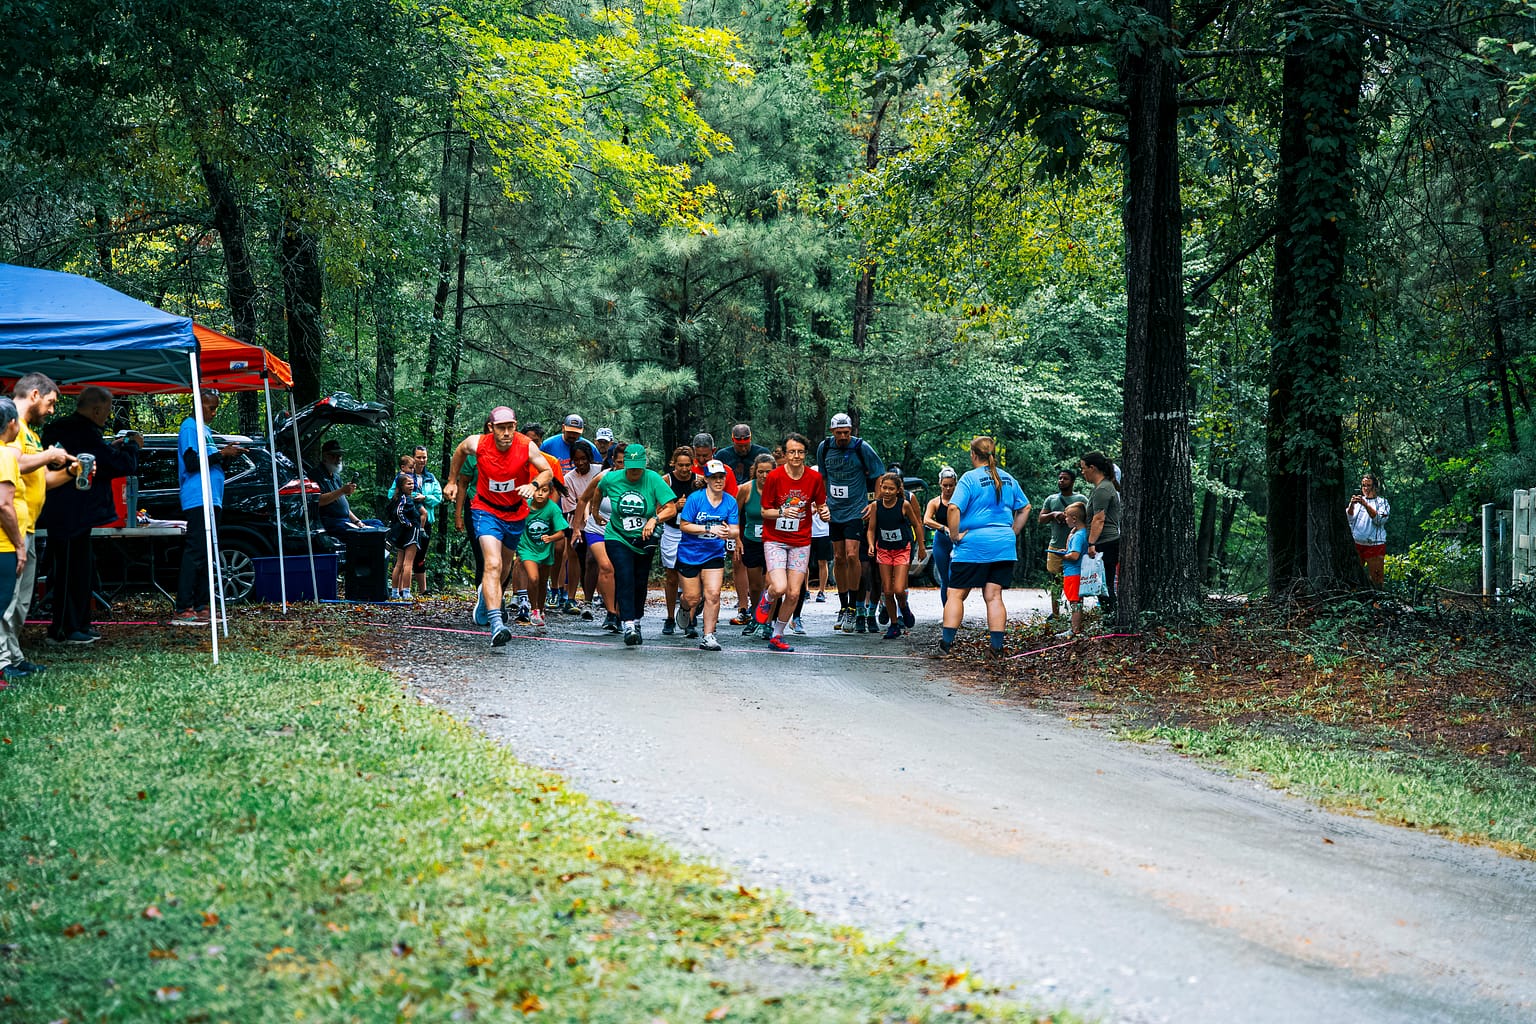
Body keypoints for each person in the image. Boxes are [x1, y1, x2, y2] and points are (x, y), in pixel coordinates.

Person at [443, 406, 555, 648]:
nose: (507, 433)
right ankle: (496, 624)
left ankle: (487, 599)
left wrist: (534, 484)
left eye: (511, 427)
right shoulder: (478, 443)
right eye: (502, 428)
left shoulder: (526, 446)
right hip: (485, 510)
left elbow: (547, 471)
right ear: (491, 428)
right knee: (492, 563)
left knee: (503, 566)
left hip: (515, 513)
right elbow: (461, 449)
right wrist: (452, 480)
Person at [38, 386, 141, 644]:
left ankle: (79, 623)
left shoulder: (72, 430)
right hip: (70, 513)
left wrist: (109, 447)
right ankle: (64, 629)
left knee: (81, 570)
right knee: (69, 572)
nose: (107, 418)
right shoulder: (80, 431)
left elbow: (99, 457)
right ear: (96, 410)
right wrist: (132, 448)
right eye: (106, 412)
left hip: (75, 514)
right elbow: (116, 465)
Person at [940, 437, 1031, 658]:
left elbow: (953, 509)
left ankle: (945, 646)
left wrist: (954, 535)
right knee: (994, 595)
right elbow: (1025, 507)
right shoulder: (1007, 478)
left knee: (955, 594)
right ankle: (997, 648)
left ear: (973, 454)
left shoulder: (969, 479)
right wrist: (1013, 532)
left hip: (973, 545)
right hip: (1003, 545)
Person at [578, 444, 677, 646]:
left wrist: (654, 519)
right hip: (617, 535)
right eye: (630, 467)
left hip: (644, 537)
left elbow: (671, 508)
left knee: (640, 580)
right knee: (624, 574)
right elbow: (597, 491)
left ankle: (637, 618)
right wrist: (595, 512)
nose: (633, 472)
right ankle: (628, 623)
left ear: (644, 465)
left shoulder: (653, 479)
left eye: (637, 468)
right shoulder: (612, 478)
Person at [754, 433, 827, 652]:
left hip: (801, 540)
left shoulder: (814, 479)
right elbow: (765, 511)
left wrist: (825, 513)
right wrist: (783, 512)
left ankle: (777, 635)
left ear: (805, 454)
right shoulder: (775, 477)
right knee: (779, 587)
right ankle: (767, 598)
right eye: (792, 452)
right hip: (775, 539)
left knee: (794, 593)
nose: (796, 456)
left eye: (800, 452)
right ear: (785, 455)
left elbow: (821, 505)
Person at [817, 413, 885, 634]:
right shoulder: (825, 447)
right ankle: (844, 605)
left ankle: (856, 606)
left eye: (847, 432)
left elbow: (879, 474)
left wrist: (874, 502)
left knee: (852, 555)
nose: (844, 436)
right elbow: (823, 477)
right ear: (832, 431)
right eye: (839, 433)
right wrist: (822, 502)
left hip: (855, 509)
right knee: (837, 557)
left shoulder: (861, 447)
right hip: (834, 510)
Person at [676, 459, 739, 651]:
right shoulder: (696, 499)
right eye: (714, 478)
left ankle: (709, 635)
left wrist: (728, 532)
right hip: (689, 553)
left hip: (713, 553)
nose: (718, 481)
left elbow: (736, 530)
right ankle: (685, 609)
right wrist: (709, 528)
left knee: (713, 594)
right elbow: (684, 525)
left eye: (721, 477)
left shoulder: (730, 501)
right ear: (707, 479)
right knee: (693, 597)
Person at [541, 414, 599, 612]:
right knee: (561, 551)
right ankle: (555, 589)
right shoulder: (549, 445)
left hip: (592, 514)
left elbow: (602, 474)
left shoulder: (589, 448)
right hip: (559, 505)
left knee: (581, 555)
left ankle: (571, 595)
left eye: (577, 433)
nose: (573, 436)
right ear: (563, 428)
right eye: (570, 432)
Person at [867, 470, 926, 639]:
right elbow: (871, 529)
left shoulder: (904, 505)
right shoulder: (876, 506)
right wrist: (871, 545)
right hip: (884, 550)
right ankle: (894, 625)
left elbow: (917, 525)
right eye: (884, 488)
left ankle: (904, 608)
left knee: (899, 589)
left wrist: (921, 547)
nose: (887, 492)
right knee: (887, 590)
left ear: (898, 490)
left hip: (901, 549)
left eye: (891, 489)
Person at [716, 425, 766, 624]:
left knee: (761, 561)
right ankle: (743, 607)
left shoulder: (761, 453)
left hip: (756, 511)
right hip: (733, 510)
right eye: (739, 445)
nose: (743, 449)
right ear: (733, 440)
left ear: (750, 439)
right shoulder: (723, 455)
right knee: (737, 559)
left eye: (746, 444)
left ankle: (761, 606)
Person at [0, 399, 28, 687]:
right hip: (4, 545)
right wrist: (20, 545)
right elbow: (4, 505)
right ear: (11, 424)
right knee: (1, 605)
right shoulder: (6, 455)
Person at [515, 479, 569, 628]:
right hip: (527, 548)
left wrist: (550, 538)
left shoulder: (552, 509)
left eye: (544, 491)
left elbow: (561, 533)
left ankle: (541, 607)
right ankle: (534, 611)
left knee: (543, 581)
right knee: (533, 578)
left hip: (545, 549)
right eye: (537, 490)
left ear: (550, 493)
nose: (540, 494)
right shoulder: (524, 506)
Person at [558, 440, 602, 617]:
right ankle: (571, 597)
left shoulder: (599, 472)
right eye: (576, 459)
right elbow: (570, 506)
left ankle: (596, 596)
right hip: (576, 523)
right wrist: (583, 513)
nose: (580, 462)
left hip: (598, 522)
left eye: (583, 458)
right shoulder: (569, 479)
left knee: (594, 560)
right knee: (575, 557)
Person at [658, 447, 699, 635]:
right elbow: (657, 511)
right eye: (680, 465)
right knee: (672, 576)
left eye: (687, 465)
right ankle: (669, 617)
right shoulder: (666, 480)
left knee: (692, 576)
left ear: (693, 464)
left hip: (692, 533)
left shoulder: (698, 481)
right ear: (674, 463)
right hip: (672, 531)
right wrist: (675, 506)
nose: (684, 469)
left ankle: (690, 619)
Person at [734, 453, 774, 638]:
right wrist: (737, 540)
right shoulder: (745, 489)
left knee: (771, 584)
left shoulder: (779, 489)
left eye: (768, 472)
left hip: (774, 541)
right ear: (755, 472)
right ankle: (756, 616)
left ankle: (768, 621)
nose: (764, 476)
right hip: (752, 540)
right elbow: (734, 514)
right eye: (761, 472)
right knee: (756, 586)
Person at [1039, 469, 1087, 619]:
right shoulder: (1051, 499)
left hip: (1076, 546)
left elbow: (1088, 517)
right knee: (1056, 580)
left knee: (1077, 580)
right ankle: (1055, 613)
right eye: (1060, 478)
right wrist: (1053, 515)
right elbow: (1041, 519)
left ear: (1072, 481)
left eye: (1065, 479)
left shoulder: (1081, 499)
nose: (1061, 481)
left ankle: (1077, 613)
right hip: (1056, 545)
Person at [1079, 451, 1121, 614]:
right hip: (1105, 542)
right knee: (1103, 584)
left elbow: (1099, 519)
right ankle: (1109, 617)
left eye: (1084, 468)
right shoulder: (1103, 487)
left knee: (1105, 584)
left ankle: (1111, 618)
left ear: (1093, 467)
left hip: (1106, 542)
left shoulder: (1103, 489)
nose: (1082, 472)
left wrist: (1091, 543)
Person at [1047, 502, 1090, 639]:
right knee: (1077, 601)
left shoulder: (1078, 536)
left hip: (1073, 573)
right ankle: (1076, 628)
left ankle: (1075, 630)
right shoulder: (1081, 533)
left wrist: (1063, 555)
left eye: (1066, 517)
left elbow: (1074, 555)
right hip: (1078, 572)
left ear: (1074, 519)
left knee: (1074, 602)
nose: (1064, 520)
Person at [923, 466, 959, 607]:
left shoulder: (961, 501)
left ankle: (955, 610)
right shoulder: (935, 502)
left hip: (957, 542)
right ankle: (947, 612)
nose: (948, 489)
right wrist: (943, 528)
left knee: (954, 577)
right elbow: (926, 519)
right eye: (945, 485)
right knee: (945, 578)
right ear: (940, 484)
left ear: (955, 484)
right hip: (942, 542)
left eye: (951, 485)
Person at [387, 473, 426, 601]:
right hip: (410, 533)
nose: (412, 486)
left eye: (412, 483)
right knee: (407, 563)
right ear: (401, 486)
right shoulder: (404, 499)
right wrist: (407, 523)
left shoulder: (400, 498)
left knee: (400, 563)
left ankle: (394, 592)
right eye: (408, 484)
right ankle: (406, 591)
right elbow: (398, 512)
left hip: (402, 534)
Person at [1347, 474, 1390, 587]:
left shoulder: (1382, 502)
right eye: (1363, 485)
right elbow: (1349, 519)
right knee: (1353, 577)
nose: (1365, 488)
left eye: (1368, 485)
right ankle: (1355, 601)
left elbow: (1379, 520)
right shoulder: (1358, 502)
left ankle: (1377, 602)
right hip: (1357, 545)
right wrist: (1352, 504)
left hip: (1375, 545)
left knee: (1376, 578)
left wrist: (1365, 505)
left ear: (1375, 486)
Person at [316, 440, 368, 534]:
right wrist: (342, 490)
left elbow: (343, 506)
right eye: (333, 455)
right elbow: (318, 501)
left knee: (377, 524)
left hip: (346, 521)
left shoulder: (336, 476)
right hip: (332, 523)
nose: (338, 458)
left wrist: (357, 521)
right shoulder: (316, 474)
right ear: (324, 456)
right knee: (364, 535)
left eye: (339, 455)